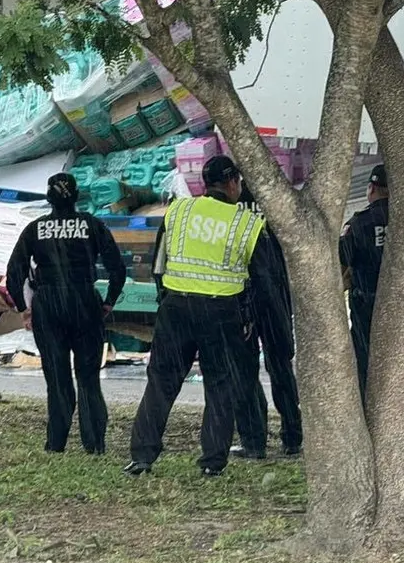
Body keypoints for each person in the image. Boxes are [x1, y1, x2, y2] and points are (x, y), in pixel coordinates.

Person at [125, 155, 271, 477]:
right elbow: (263, 278)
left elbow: (158, 264)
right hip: (221, 313)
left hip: (176, 307)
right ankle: (212, 462)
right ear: (232, 182)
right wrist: (252, 320)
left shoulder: (178, 210)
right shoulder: (246, 223)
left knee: (161, 382)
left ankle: (142, 456)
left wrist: (165, 300)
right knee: (220, 385)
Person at [5, 173, 127, 453]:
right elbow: (116, 268)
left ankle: (56, 442)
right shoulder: (92, 225)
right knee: (88, 377)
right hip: (85, 300)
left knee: (57, 376)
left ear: (49, 198)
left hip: (48, 305)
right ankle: (94, 443)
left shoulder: (35, 229)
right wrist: (108, 301)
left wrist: (24, 310)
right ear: (76, 196)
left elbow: (14, 273)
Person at [232, 184, 304, 459]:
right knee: (280, 365)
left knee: (245, 369)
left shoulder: (230, 204)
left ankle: (254, 440)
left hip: (243, 295)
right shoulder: (276, 199)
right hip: (275, 294)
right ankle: (292, 436)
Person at [340, 163, 389, 406]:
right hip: (400, 308)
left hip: (365, 306)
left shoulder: (359, 224)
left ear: (371, 189)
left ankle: (366, 408)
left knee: (363, 361)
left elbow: (341, 267)